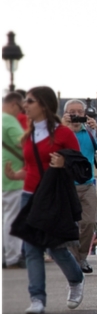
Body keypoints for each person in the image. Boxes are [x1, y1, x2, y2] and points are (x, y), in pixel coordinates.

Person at [4, 86, 85, 314]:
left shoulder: (63, 134)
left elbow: (81, 167)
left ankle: (76, 279)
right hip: (29, 196)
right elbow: (32, 167)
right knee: (31, 248)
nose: (25, 105)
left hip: (51, 198)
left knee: (56, 247)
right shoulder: (28, 135)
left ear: (43, 105)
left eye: (29, 101)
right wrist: (16, 175)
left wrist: (63, 164)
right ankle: (37, 298)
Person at [62, 99, 97, 273]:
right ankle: (74, 259)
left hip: (87, 184)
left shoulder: (90, 133)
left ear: (84, 115)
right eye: (72, 112)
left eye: (79, 112)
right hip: (65, 185)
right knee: (69, 225)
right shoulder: (60, 132)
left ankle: (81, 257)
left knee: (89, 223)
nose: (76, 115)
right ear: (66, 114)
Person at [2, 92, 26, 267]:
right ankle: (12, 256)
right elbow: (23, 144)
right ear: (13, 104)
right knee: (12, 218)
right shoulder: (9, 120)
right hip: (12, 175)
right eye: (20, 108)